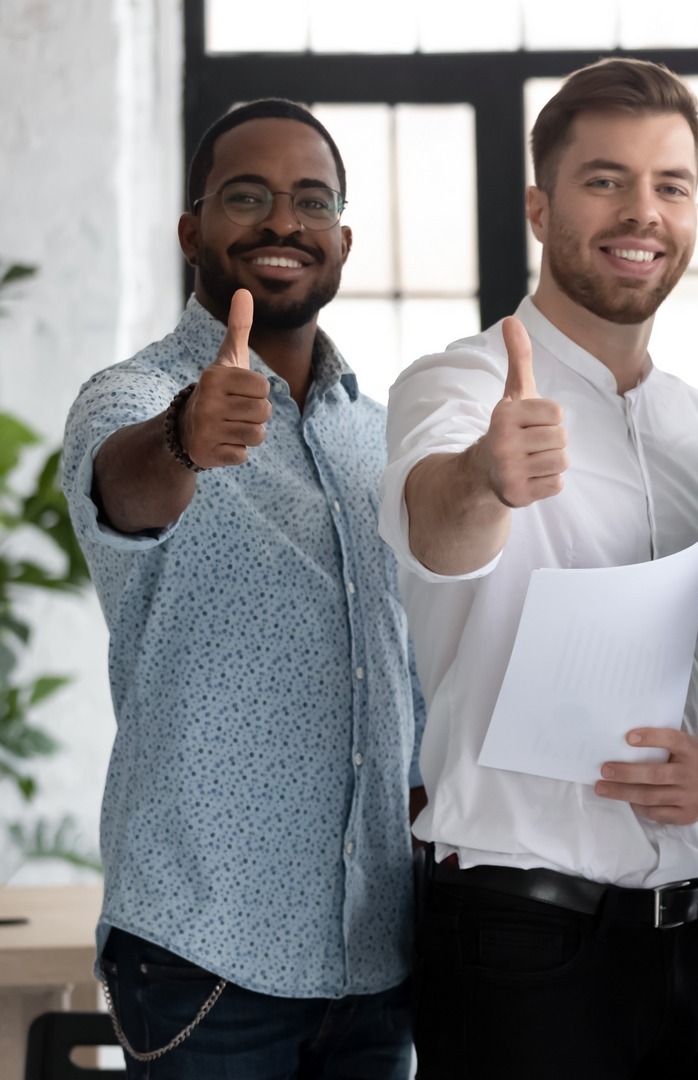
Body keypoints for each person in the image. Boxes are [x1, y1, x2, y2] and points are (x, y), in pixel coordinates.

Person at [379, 58, 698, 1077]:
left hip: (692, 942)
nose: (641, 211)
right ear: (539, 206)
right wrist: (487, 477)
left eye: (671, 185)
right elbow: (435, 529)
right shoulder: (459, 385)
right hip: (519, 943)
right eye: (605, 180)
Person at [60, 99, 418, 1077]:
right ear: (192, 230)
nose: (281, 224)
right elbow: (128, 491)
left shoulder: (378, 435)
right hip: (206, 958)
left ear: (342, 238)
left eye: (310, 202)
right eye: (247, 198)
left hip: (374, 966)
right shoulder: (131, 400)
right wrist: (186, 435)